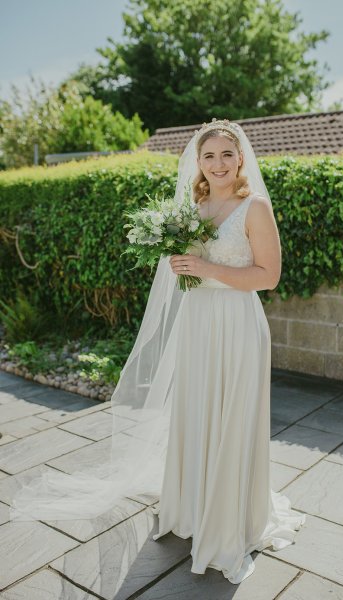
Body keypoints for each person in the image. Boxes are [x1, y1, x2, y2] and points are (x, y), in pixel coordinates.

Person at [9, 118, 305, 585]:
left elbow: (268, 277)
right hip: (198, 323)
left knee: (231, 417)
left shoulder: (255, 206)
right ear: (198, 162)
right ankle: (192, 507)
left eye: (227, 154)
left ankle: (229, 521)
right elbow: (182, 266)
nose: (219, 163)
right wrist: (177, 261)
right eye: (209, 156)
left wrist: (206, 266)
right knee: (197, 415)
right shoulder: (194, 204)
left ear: (241, 157)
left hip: (236, 325)